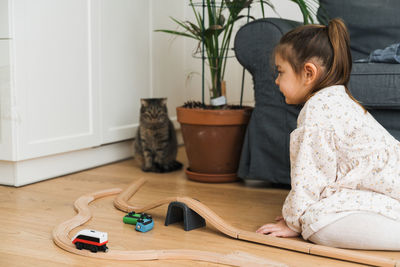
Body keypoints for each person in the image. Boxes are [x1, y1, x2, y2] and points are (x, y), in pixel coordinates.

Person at [256, 18, 400, 250]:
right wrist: (296, 212)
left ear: (308, 73)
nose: (276, 80)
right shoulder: (338, 98)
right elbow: (324, 176)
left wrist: (294, 222)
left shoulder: (317, 110)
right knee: (317, 209)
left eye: (280, 72)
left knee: (316, 223)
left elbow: (309, 175)